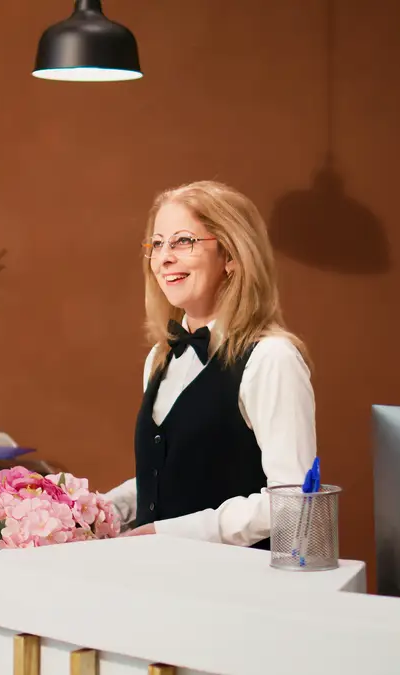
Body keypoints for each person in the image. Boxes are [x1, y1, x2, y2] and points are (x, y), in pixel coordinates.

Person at [104, 180, 316, 548]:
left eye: (183, 241)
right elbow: (168, 480)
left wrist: (171, 533)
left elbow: (293, 502)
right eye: (157, 244)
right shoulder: (161, 358)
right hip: (159, 579)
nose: (164, 257)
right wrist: (93, 509)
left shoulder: (271, 358)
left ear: (231, 256)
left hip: (235, 588)